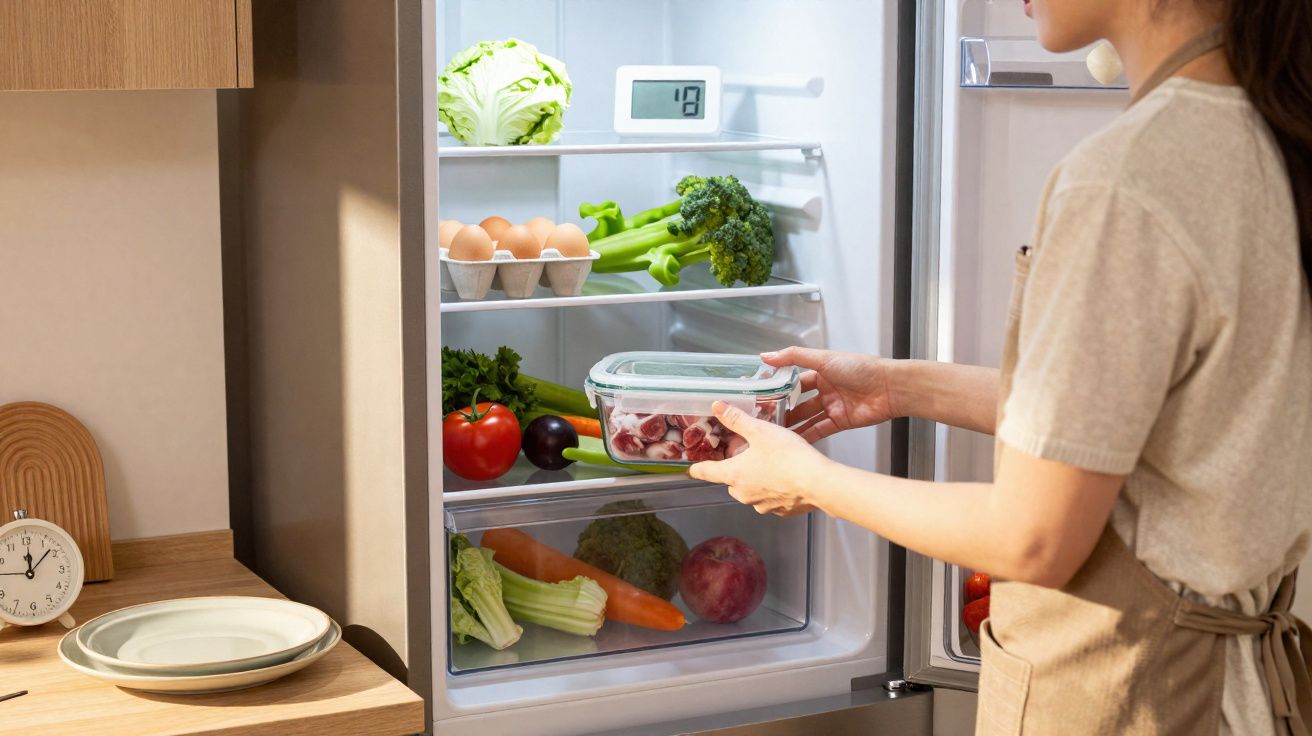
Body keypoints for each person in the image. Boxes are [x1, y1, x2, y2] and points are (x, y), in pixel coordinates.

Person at [689, 0, 1312, 733]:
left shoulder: (1127, 179)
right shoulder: (1263, 132)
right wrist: (896, 386)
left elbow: (1032, 537)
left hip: (1135, 695)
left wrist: (811, 480)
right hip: (1232, 697)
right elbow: (1145, 424)